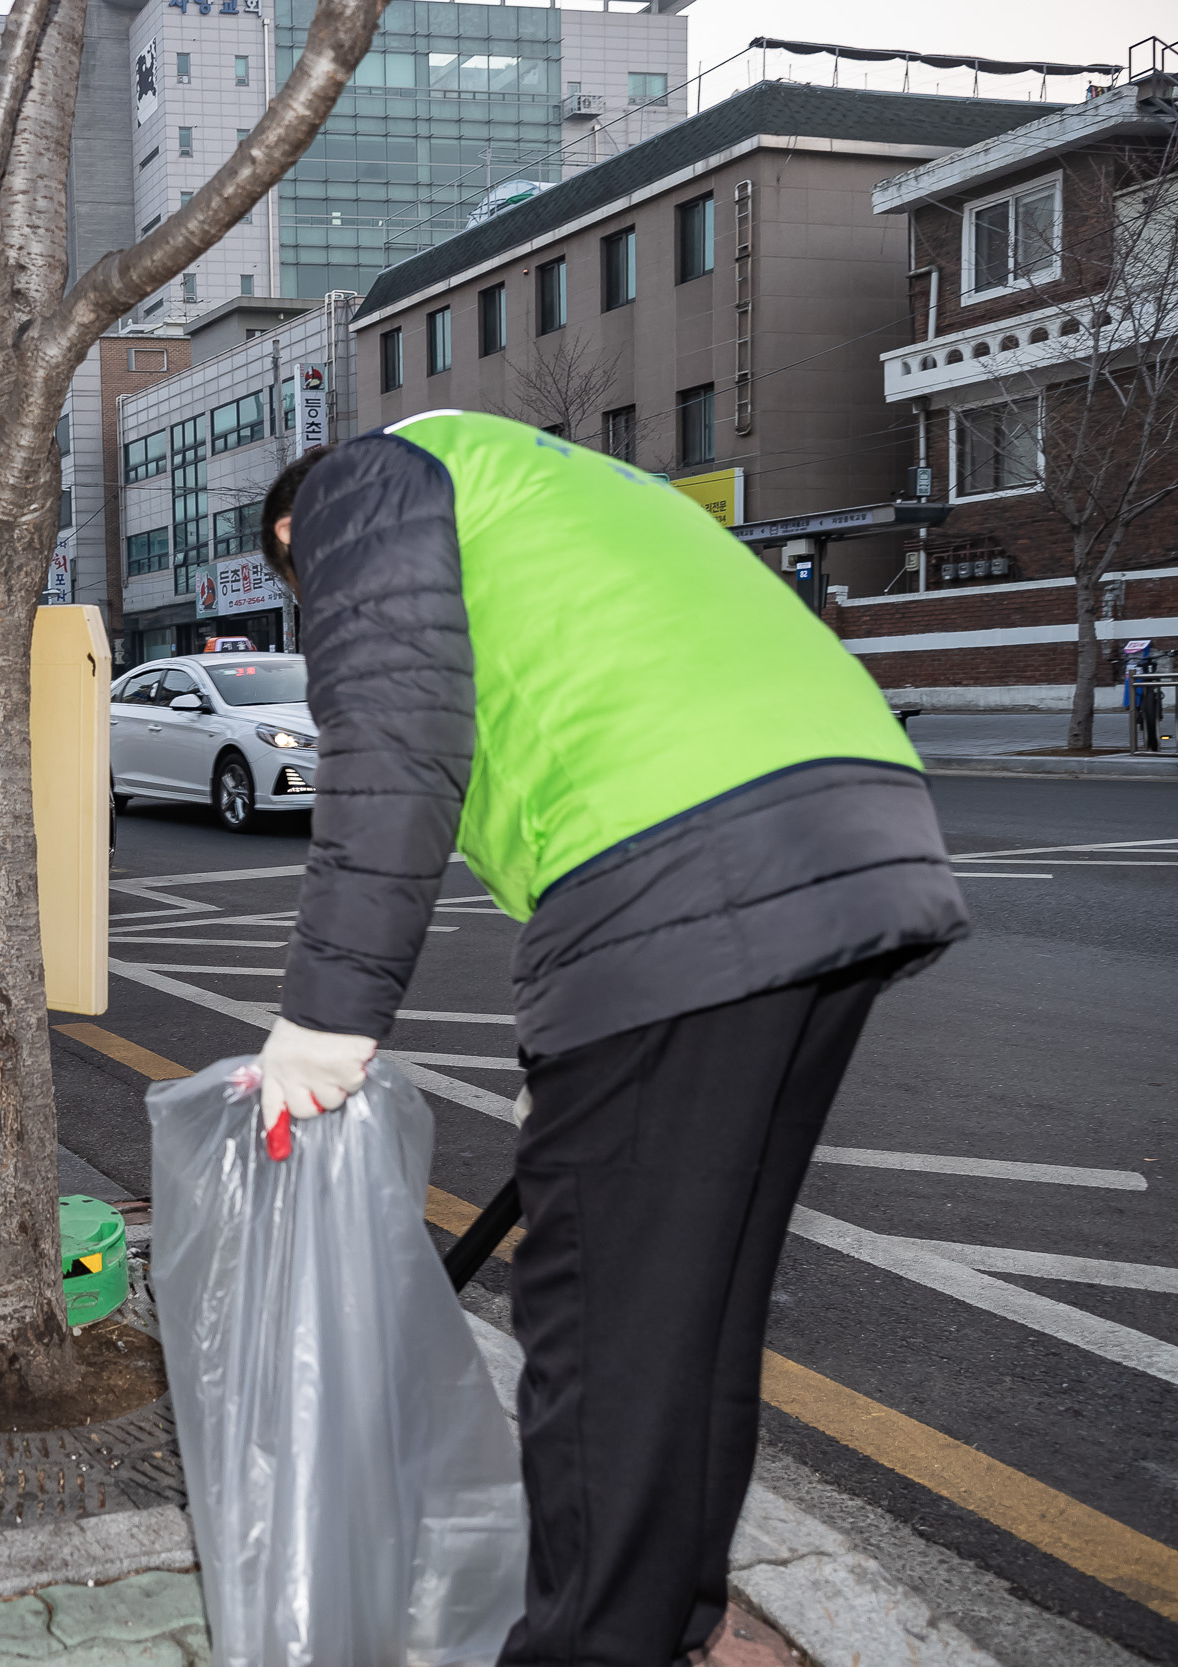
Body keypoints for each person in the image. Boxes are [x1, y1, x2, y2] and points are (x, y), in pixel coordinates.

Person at [255, 412, 970, 1667]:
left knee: (602, 1323)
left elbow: (390, 754)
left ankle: (592, 1646)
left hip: (683, 869)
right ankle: (664, 1624)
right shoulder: (543, 482)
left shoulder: (362, 485)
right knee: (691, 1306)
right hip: (853, 844)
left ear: (289, 534)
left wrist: (323, 1020)